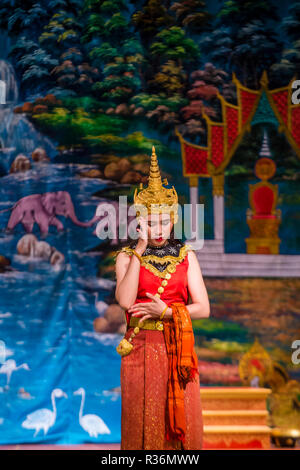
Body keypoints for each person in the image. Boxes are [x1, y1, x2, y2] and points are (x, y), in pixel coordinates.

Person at [114, 146, 210, 450]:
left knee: (178, 424)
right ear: (141, 222)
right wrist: (140, 249)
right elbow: (126, 303)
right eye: (151, 223)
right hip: (140, 349)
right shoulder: (126, 257)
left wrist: (166, 311)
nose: (158, 229)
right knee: (142, 423)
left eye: (164, 222)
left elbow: (203, 308)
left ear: (173, 221)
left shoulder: (186, 256)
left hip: (176, 347)